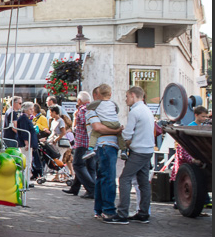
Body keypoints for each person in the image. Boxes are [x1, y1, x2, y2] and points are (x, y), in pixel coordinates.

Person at [113, 86, 155, 224]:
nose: (125, 99)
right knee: (143, 182)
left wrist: (121, 131)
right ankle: (143, 213)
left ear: (132, 95)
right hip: (147, 150)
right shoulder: (147, 110)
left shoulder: (135, 111)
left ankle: (122, 213)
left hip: (139, 151)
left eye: (126, 96)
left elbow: (127, 134)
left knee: (124, 179)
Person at [86, 84, 125, 223]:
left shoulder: (101, 108)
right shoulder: (92, 110)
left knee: (102, 178)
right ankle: (108, 211)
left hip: (103, 147)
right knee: (109, 178)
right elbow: (97, 127)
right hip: (106, 146)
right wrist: (116, 131)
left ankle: (99, 209)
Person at [63, 90, 97, 198]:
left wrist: (74, 119)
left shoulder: (82, 110)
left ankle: (92, 189)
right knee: (90, 166)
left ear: (79, 100)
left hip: (82, 142)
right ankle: (75, 188)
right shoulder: (93, 108)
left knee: (78, 165)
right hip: (92, 143)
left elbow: (80, 126)